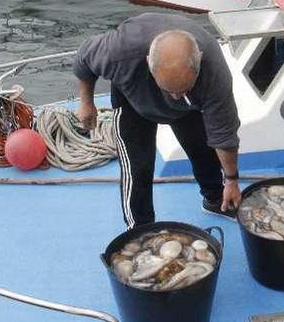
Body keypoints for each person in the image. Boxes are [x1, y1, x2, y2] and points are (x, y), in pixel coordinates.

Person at [74, 13, 242, 229]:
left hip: (189, 107)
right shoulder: (120, 51)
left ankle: (216, 199)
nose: (175, 96)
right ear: (148, 62)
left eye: (183, 88)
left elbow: (224, 135)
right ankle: (141, 228)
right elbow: (84, 59)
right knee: (139, 168)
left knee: (204, 151)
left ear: (198, 59)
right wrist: (86, 103)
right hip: (133, 100)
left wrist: (232, 180)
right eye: (170, 90)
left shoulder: (214, 71)